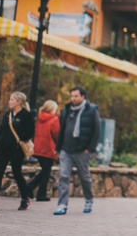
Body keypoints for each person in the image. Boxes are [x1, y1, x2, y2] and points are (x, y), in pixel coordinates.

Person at [54, 86, 101, 215]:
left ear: (82, 96)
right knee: (63, 176)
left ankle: (89, 199)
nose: (73, 99)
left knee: (84, 177)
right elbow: (62, 129)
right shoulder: (67, 109)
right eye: (72, 96)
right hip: (66, 149)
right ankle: (62, 205)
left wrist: (89, 149)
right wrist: (58, 148)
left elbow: (97, 131)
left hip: (82, 150)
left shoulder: (91, 110)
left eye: (76, 96)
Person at [26, 100, 60, 202]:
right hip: (48, 148)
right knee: (46, 172)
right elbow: (56, 134)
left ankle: (31, 187)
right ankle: (39, 193)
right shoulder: (54, 119)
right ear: (53, 109)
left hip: (39, 148)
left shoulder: (39, 118)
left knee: (45, 171)